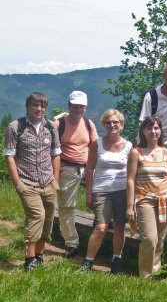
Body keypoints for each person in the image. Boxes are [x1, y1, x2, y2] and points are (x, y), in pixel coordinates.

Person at [3, 92, 61, 270]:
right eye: (35, 105)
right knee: (37, 216)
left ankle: (40, 254)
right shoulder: (16, 127)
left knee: (49, 220)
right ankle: (29, 259)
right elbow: (9, 156)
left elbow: (56, 153)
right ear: (27, 106)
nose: (39, 109)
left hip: (48, 182)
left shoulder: (51, 127)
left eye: (42, 106)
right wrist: (17, 183)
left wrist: (56, 180)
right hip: (27, 183)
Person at [126, 116, 167, 279]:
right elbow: (130, 179)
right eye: (149, 128)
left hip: (165, 199)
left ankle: (156, 270)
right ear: (143, 131)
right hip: (144, 199)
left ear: (161, 131)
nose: (153, 131)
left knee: (160, 238)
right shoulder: (136, 153)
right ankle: (145, 275)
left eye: (156, 128)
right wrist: (130, 206)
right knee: (149, 239)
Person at [80, 109, 132, 273]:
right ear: (104, 124)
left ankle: (117, 260)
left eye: (115, 122)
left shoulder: (128, 146)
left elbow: (132, 173)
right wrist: (89, 193)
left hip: (122, 191)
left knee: (119, 226)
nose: (112, 125)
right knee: (101, 227)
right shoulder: (97, 144)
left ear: (121, 124)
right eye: (108, 122)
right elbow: (89, 169)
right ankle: (88, 262)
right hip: (101, 190)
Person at [54, 91, 98, 258]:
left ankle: (99, 231)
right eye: (75, 106)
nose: (78, 109)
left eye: (81, 106)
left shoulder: (88, 124)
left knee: (97, 200)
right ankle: (72, 243)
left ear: (85, 108)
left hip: (87, 167)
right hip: (67, 168)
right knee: (67, 206)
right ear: (69, 106)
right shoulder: (59, 124)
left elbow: (94, 146)